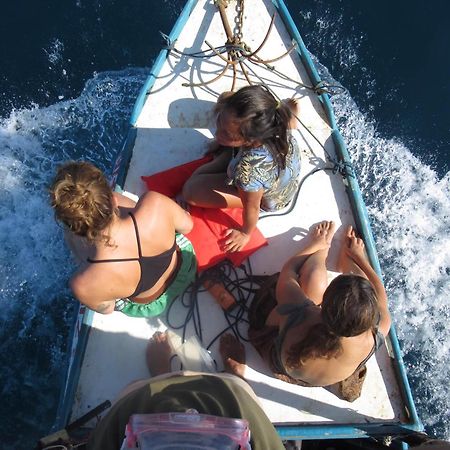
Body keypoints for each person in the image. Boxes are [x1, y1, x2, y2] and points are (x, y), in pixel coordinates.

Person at [223, 221, 391, 400]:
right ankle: (347, 259)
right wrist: (360, 257)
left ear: (324, 303)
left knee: (314, 279)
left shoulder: (300, 315)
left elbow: (289, 271)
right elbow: (380, 295)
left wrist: (316, 244)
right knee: (362, 286)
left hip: (283, 363)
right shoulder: (379, 330)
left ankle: (321, 252)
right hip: (318, 379)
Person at [86, 331, 285, 450]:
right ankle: (234, 376)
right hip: (228, 397)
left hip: (146, 401)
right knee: (239, 387)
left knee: (134, 390)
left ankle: (160, 376)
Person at [49, 161, 196, 317]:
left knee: (90, 271)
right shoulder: (155, 203)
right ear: (113, 200)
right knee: (148, 214)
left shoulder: (81, 285)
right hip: (185, 267)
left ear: (74, 227)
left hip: (152, 305)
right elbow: (187, 226)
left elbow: (107, 308)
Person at [182, 85, 301, 253]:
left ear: (250, 140)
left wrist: (245, 233)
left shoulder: (248, 172)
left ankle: (228, 156)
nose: (216, 134)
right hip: (274, 171)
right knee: (225, 97)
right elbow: (228, 104)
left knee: (190, 190)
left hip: (265, 197)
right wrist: (224, 139)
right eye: (220, 124)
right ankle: (229, 151)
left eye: (226, 134)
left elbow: (251, 207)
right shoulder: (274, 124)